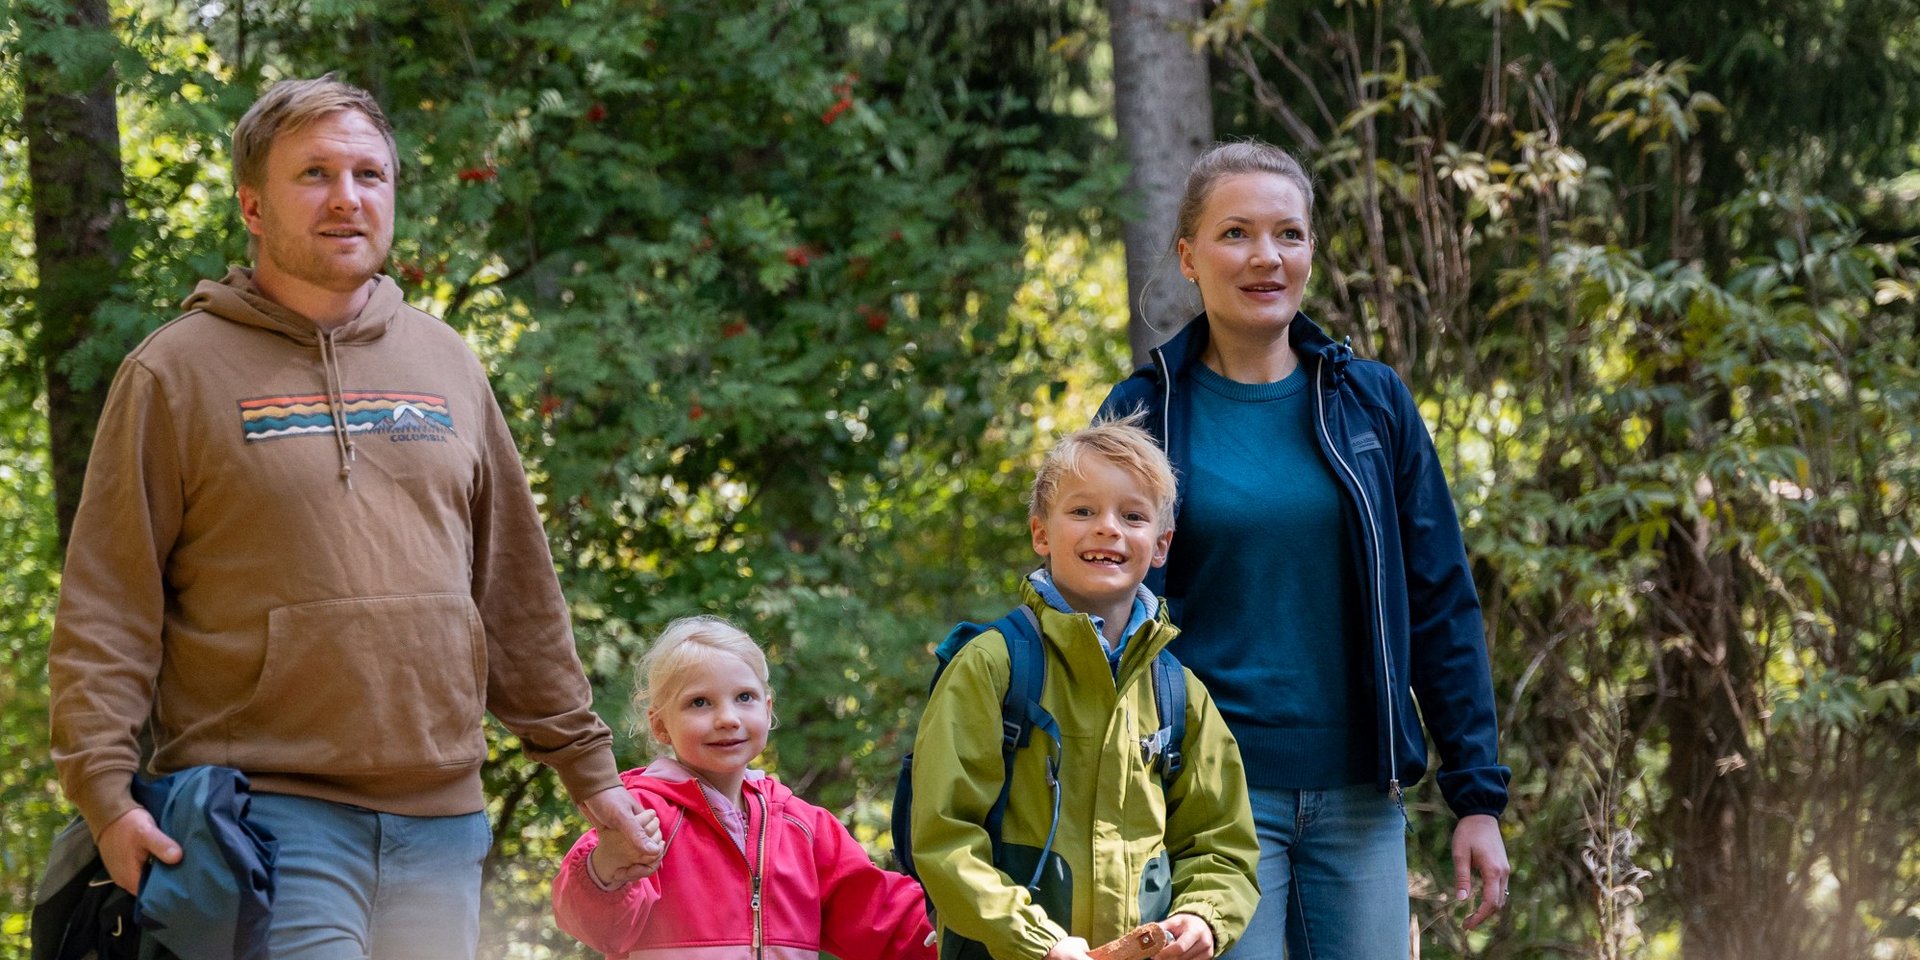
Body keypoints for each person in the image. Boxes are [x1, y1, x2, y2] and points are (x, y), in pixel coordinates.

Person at [46, 75, 660, 959]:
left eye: (370, 175)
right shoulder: (172, 375)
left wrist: (593, 780)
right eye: (315, 175)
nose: (347, 198)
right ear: (253, 205)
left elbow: (515, 590)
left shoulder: (446, 362)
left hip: (444, 824)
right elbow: (108, 609)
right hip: (266, 821)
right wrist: (107, 799)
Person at [1096, 140, 1513, 959]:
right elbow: (1096, 604)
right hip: (1208, 799)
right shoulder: (1144, 411)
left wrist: (1477, 797)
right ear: (1188, 255)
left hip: (1362, 794)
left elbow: (1440, 601)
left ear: (1310, 251)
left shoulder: (1371, 404)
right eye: (1237, 233)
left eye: (1288, 234)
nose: (1266, 257)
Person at [909, 420, 1259, 960]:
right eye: (1082, 511)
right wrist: (1037, 941)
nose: (1107, 529)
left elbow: (1221, 843)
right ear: (1041, 533)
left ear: (1161, 545)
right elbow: (944, 838)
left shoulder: (1176, 690)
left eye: (1133, 516)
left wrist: (1203, 915)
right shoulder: (992, 666)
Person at [551, 616, 937, 959]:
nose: (727, 718)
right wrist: (610, 865)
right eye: (699, 702)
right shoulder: (642, 815)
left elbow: (883, 916)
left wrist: (970, 928)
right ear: (660, 725)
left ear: (767, 710)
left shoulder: (802, 826)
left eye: (744, 698)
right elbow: (591, 924)